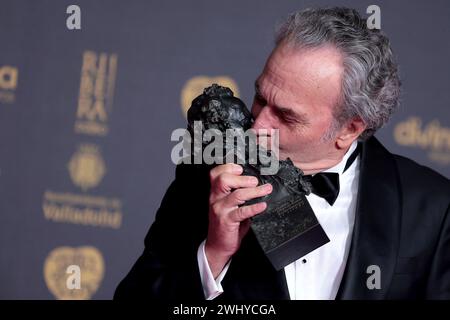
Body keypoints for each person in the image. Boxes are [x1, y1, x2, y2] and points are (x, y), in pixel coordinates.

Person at [114, 7, 450, 300]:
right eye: (260, 98)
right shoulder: (209, 169)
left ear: (350, 129)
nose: (257, 126)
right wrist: (214, 255)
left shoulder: (433, 208)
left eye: (286, 116)